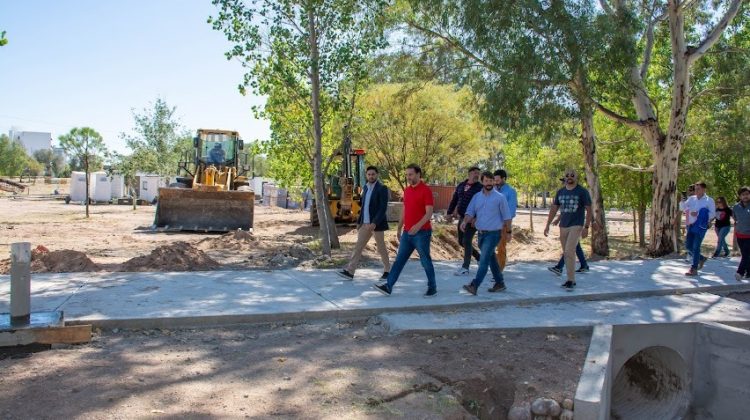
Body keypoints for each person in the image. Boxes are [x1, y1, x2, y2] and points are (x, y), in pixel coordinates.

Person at [374, 164, 436, 297]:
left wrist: (417, 226)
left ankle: (432, 287)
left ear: (419, 174)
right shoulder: (407, 191)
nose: (408, 177)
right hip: (407, 233)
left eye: (411, 174)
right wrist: (399, 227)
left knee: (425, 261)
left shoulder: (426, 190)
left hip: (422, 233)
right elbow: (405, 210)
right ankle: (388, 286)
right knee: (399, 260)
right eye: (407, 175)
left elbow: (429, 213)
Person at [460, 172, 513, 295]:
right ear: (482, 182)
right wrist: (464, 222)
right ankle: (500, 283)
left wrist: (509, 232)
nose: (489, 183)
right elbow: (470, 212)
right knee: (491, 258)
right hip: (481, 234)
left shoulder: (500, 198)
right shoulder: (477, 197)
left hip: (494, 233)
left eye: (491, 181)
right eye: (486, 181)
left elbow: (507, 217)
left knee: (483, 260)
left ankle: (475, 285)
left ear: (494, 182)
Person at [339, 166, 391, 280]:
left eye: (373, 174)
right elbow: (363, 207)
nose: (371, 176)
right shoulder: (365, 188)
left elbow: (382, 208)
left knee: (381, 248)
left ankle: (387, 270)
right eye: (369, 174)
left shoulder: (382, 188)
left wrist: (375, 222)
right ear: (366, 176)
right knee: (358, 247)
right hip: (365, 224)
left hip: (376, 225)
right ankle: (350, 271)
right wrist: (359, 222)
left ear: (377, 175)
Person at [544, 169, 592, 291]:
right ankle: (570, 279)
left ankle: (571, 280)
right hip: (563, 226)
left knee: (570, 251)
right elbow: (554, 209)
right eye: (567, 175)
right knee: (567, 253)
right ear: (564, 177)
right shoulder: (560, 192)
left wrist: (587, 227)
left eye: (572, 175)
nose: (569, 177)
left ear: (576, 177)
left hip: (576, 225)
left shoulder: (582, 191)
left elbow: (589, 209)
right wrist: (548, 224)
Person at [446, 167, 483, 276]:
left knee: (467, 241)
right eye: (475, 173)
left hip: (472, 219)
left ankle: (465, 267)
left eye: (478, 173)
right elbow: (454, 200)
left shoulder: (480, 188)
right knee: (461, 241)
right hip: (462, 218)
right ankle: (479, 257)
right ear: (469, 174)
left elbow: (482, 204)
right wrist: (449, 213)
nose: (477, 175)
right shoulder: (461, 186)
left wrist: (476, 217)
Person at [680, 181, 716, 276]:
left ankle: (693, 268)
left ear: (704, 189)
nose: (696, 190)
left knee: (696, 247)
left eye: (698, 189)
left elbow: (712, 214)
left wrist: (699, 214)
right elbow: (683, 209)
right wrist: (683, 200)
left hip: (700, 226)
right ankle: (701, 258)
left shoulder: (709, 200)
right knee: (688, 246)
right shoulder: (692, 199)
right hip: (690, 225)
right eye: (695, 189)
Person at [494, 169, 517, 271]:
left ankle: (499, 270)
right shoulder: (492, 190)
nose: (496, 182)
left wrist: (508, 228)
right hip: (490, 224)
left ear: (504, 179)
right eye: (495, 180)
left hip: (503, 224)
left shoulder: (511, 192)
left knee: (501, 247)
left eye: (498, 180)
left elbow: (511, 211)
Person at [732, 186, 750, 281]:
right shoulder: (736, 207)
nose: (745, 196)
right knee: (745, 255)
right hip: (740, 235)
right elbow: (735, 218)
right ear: (740, 196)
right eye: (743, 195)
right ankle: (749, 272)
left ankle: (740, 272)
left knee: (746, 254)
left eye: (747, 194)